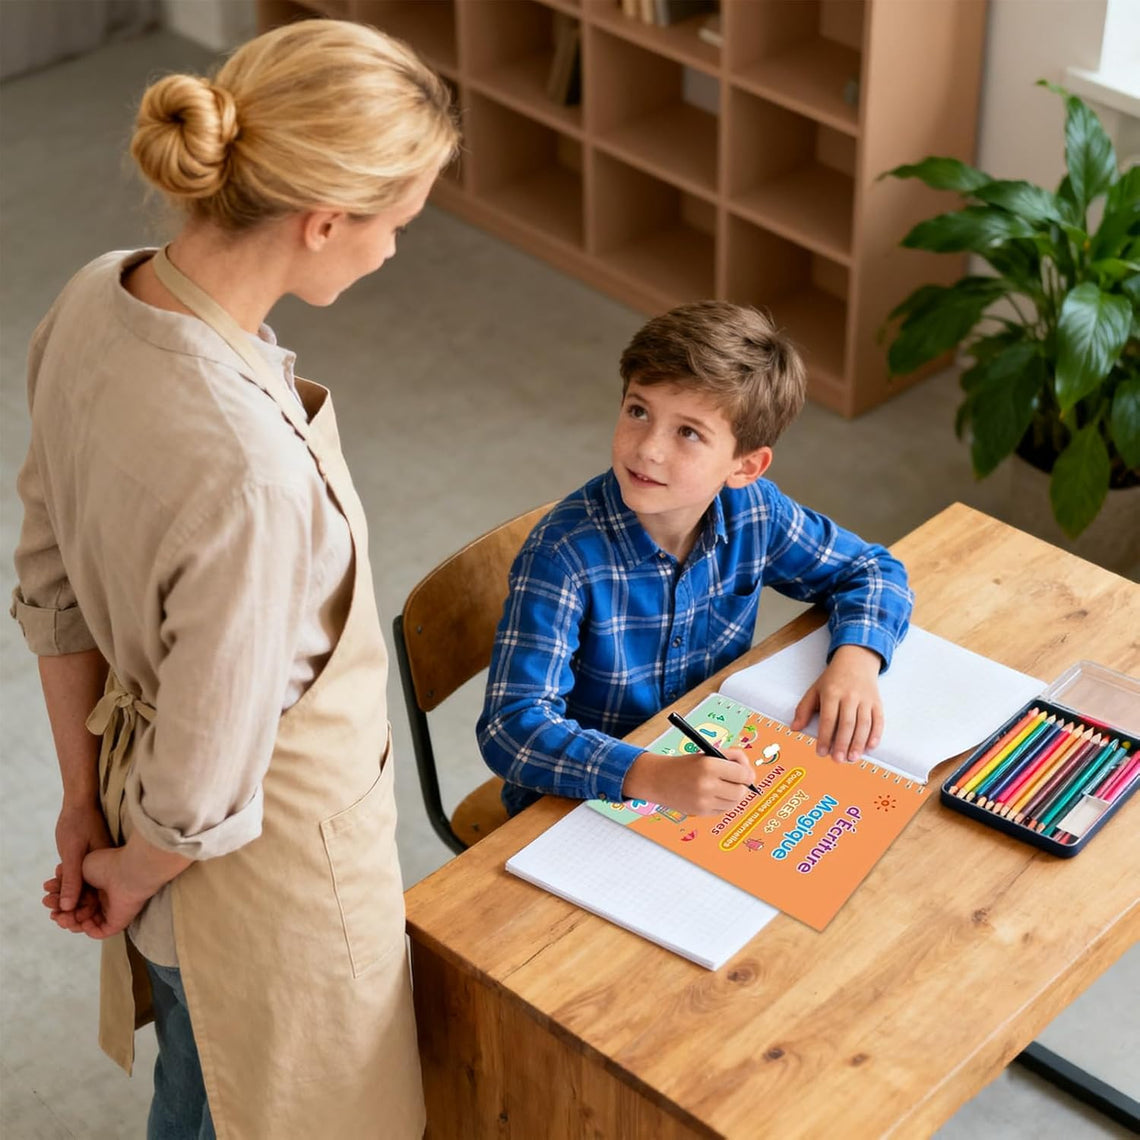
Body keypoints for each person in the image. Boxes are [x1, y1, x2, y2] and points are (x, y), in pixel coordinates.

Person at [11, 19, 458, 1139]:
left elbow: (49, 581)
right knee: (279, 1100)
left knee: (202, 1078)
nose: (395, 251)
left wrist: (81, 803)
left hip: (132, 805)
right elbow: (207, 781)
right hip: (266, 882)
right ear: (320, 223)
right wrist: (135, 867)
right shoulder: (250, 475)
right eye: (396, 225)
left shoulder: (91, 301)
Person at [478, 301, 914, 819]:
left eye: (688, 432)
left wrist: (856, 661)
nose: (649, 450)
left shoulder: (755, 511)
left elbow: (870, 570)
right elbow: (513, 727)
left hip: (705, 760)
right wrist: (649, 774)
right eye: (638, 411)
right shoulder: (563, 556)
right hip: (575, 802)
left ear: (745, 466)